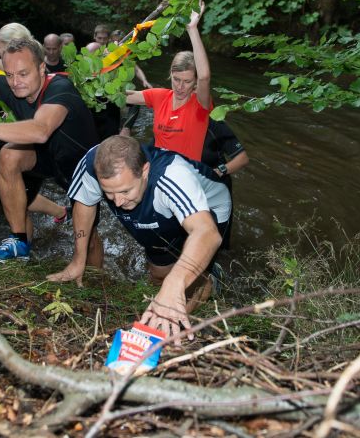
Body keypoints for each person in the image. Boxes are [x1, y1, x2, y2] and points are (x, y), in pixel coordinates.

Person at [49, 136, 231, 339]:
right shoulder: (93, 164)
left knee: (187, 283)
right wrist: (78, 260)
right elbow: (84, 202)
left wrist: (175, 284)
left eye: (124, 190)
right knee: (158, 274)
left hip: (209, 208)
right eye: (108, 193)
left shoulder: (172, 176)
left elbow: (206, 233)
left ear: (144, 171)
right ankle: (162, 300)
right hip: (154, 208)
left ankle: (209, 282)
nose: (117, 202)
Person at [0, 34, 99, 261]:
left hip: (80, 167)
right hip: (44, 157)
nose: (15, 82)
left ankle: (96, 287)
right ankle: (19, 241)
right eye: (10, 75)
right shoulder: (8, 85)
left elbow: (40, 131)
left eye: (23, 74)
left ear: (42, 69)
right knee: (8, 155)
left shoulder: (60, 88)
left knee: (89, 240)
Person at [126, 0, 211, 161]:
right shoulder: (160, 96)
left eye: (186, 81)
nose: (180, 86)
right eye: (176, 79)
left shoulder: (200, 105)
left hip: (186, 176)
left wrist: (192, 29)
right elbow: (123, 96)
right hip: (159, 170)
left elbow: (205, 77)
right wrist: (111, 63)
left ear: (195, 83)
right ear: (170, 75)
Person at [200, 119, 249, 249]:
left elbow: (242, 159)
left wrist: (218, 172)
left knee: (219, 240)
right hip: (189, 187)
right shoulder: (170, 122)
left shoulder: (214, 124)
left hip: (216, 187)